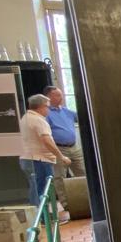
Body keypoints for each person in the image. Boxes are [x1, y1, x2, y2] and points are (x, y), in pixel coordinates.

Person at [19, 94, 70, 207]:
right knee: (42, 190)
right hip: (39, 160)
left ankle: (40, 215)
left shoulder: (25, 118)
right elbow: (47, 140)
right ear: (41, 107)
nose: (48, 109)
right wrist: (61, 156)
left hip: (28, 159)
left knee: (36, 188)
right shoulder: (38, 120)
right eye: (47, 106)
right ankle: (42, 217)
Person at [44, 86, 83, 218]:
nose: (61, 97)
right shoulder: (47, 114)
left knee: (82, 172)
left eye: (61, 94)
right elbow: (45, 133)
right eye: (57, 95)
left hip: (74, 147)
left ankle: (88, 200)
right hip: (59, 148)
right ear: (49, 97)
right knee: (59, 177)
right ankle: (67, 204)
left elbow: (83, 117)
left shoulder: (67, 111)